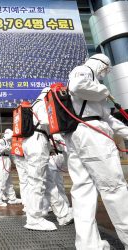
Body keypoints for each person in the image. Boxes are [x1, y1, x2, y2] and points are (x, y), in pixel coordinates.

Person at [65, 53, 128, 249]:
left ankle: (88, 244)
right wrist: (103, 90)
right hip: (92, 135)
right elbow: (77, 86)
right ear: (102, 65)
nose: (105, 74)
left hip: (80, 133)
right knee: (114, 187)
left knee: (83, 190)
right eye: (106, 70)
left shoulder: (92, 88)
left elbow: (108, 119)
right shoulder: (84, 71)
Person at [22, 88, 73, 231]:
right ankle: (34, 219)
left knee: (49, 182)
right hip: (37, 141)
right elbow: (46, 121)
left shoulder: (37, 103)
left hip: (36, 141)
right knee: (36, 182)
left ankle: (63, 215)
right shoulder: (44, 103)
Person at [0, 132, 21, 207]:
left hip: (7, 160)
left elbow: (11, 154)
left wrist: (16, 163)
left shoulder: (8, 142)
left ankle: (12, 198)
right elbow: (0, 150)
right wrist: (10, 148)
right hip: (2, 159)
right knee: (1, 180)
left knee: (8, 181)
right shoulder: (1, 141)